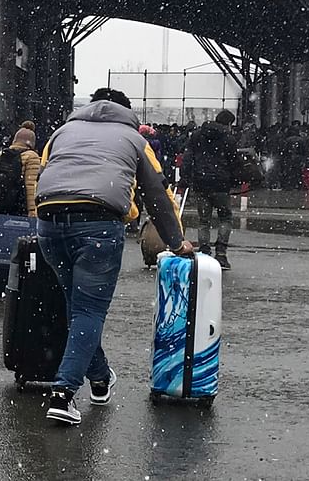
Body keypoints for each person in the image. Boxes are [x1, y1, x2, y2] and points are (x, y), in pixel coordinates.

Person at [34, 88, 193, 426]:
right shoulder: (135, 140)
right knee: (88, 311)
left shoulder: (62, 132)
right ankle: (63, 394)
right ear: (127, 113)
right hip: (98, 225)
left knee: (76, 308)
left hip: (48, 222)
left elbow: (43, 174)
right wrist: (177, 243)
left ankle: (101, 378)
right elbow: (158, 195)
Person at [182, 110, 239, 270]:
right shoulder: (228, 139)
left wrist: (186, 177)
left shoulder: (197, 135)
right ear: (228, 123)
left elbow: (188, 158)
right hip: (221, 183)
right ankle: (221, 254)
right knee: (225, 218)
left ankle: (204, 252)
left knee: (204, 220)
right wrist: (234, 180)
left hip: (201, 182)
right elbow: (234, 162)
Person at [0, 124, 40, 218]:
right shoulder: (31, 156)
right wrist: (32, 210)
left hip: (1, 206)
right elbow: (30, 185)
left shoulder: (2, 154)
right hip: (19, 207)